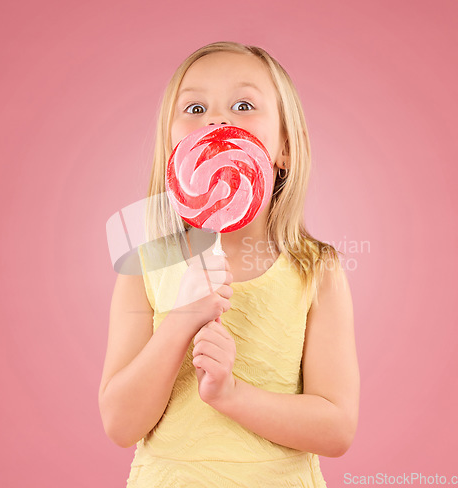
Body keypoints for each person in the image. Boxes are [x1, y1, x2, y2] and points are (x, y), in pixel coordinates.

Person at [98, 41, 360, 487]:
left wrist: (232, 395)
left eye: (243, 104)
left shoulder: (316, 269)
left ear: (285, 150)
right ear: (172, 151)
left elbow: (336, 429)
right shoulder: (144, 264)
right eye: (195, 107)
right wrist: (182, 321)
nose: (217, 120)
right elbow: (120, 425)